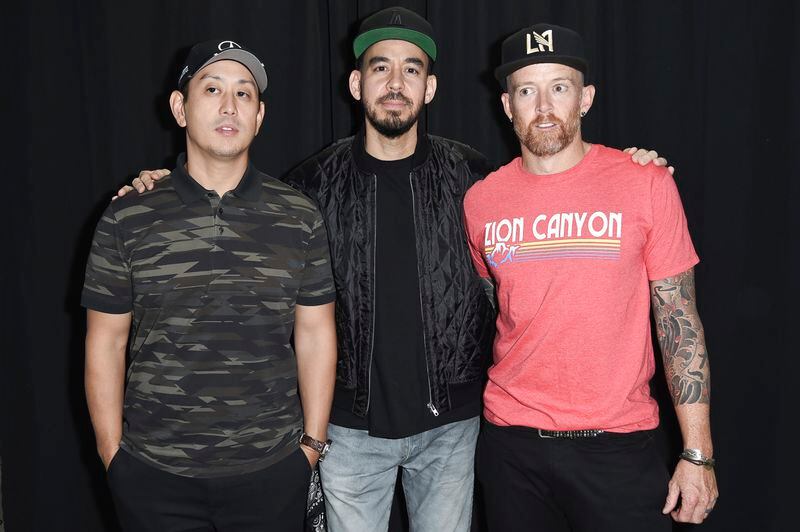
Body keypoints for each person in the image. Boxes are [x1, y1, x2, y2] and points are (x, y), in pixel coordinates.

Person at [120, 9, 670, 531]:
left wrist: (629, 164)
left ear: (429, 88)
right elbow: (240, 207)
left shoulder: (474, 180)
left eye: (413, 69)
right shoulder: (309, 185)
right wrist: (165, 186)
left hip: (452, 430)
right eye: (380, 67)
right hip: (348, 432)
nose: (396, 82)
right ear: (357, 84)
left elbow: (547, 189)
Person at [463, 23, 718, 532]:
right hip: (512, 446)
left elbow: (679, 322)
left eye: (559, 86)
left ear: (586, 98)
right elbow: (495, 300)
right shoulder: (481, 202)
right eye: (526, 90)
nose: (543, 106)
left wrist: (698, 454)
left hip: (618, 447)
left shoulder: (645, 183)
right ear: (507, 105)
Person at [82, 39, 337, 531]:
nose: (228, 106)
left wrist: (311, 446)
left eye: (244, 94)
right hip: (154, 475)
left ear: (260, 115)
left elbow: (316, 334)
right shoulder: (127, 216)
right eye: (212, 88)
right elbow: (105, 342)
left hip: (271, 472)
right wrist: (112, 454)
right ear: (180, 107)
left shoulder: (299, 217)